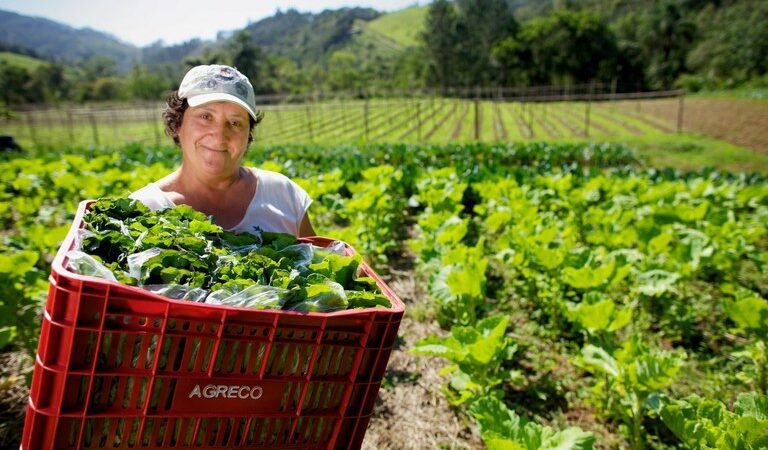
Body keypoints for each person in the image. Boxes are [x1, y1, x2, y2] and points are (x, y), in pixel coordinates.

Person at [130, 64, 315, 237]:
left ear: (248, 134)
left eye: (235, 123)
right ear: (178, 123)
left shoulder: (282, 195)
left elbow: (317, 256)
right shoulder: (142, 211)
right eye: (205, 117)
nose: (219, 135)